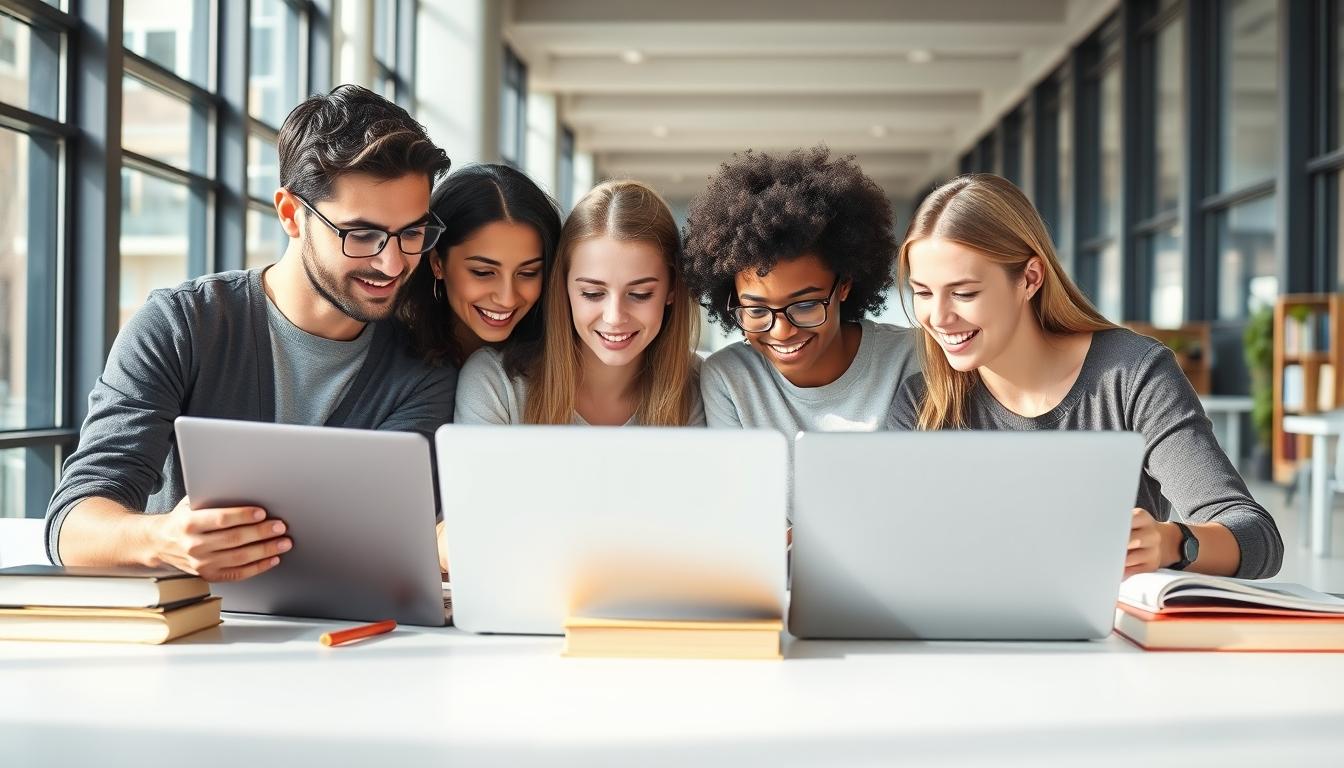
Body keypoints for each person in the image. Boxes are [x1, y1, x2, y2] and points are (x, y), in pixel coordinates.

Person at [45, 85, 456, 582]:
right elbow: (72, 526)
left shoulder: (422, 366)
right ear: (290, 214)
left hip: (353, 624)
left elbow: (386, 537)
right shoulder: (181, 326)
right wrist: (162, 539)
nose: (391, 263)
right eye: (362, 234)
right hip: (189, 620)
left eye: (411, 233)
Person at [887, 173, 1283, 579]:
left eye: (964, 293)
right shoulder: (923, 403)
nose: (939, 317)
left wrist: (1171, 543)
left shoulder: (1132, 375)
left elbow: (1257, 537)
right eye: (923, 292)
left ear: (1030, 278)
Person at [681, 146, 920, 434]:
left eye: (805, 305)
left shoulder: (913, 357)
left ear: (844, 285)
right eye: (756, 310)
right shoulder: (729, 378)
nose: (782, 332)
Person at [454, 179, 703, 427]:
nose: (614, 317)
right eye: (592, 293)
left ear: (672, 289)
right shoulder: (495, 383)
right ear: (563, 287)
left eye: (640, 294)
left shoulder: (696, 386)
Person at [398, 163, 562, 374]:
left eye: (528, 273)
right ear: (438, 263)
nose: (507, 299)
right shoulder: (392, 352)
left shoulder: (559, 363)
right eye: (483, 272)